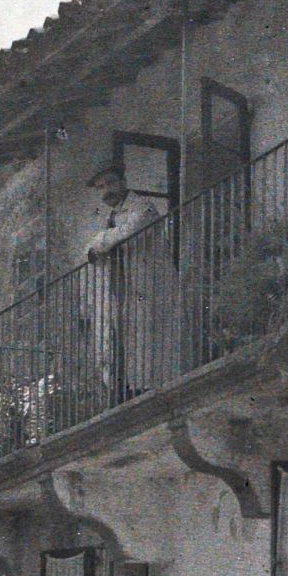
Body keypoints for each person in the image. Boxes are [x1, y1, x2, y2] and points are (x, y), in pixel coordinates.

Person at [82, 161, 166, 405]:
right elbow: (88, 250)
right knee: (117, 337)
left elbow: (129, 232)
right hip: (119, 287)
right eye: (100, 187)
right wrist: (99, 244)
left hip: (145, 281)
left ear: (123, 182)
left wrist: (100, 242)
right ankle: (123, 389)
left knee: (145, 337)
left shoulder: (142, 206)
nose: (106, 190)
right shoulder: (107, 217)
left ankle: (145, 387)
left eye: (110, 183)